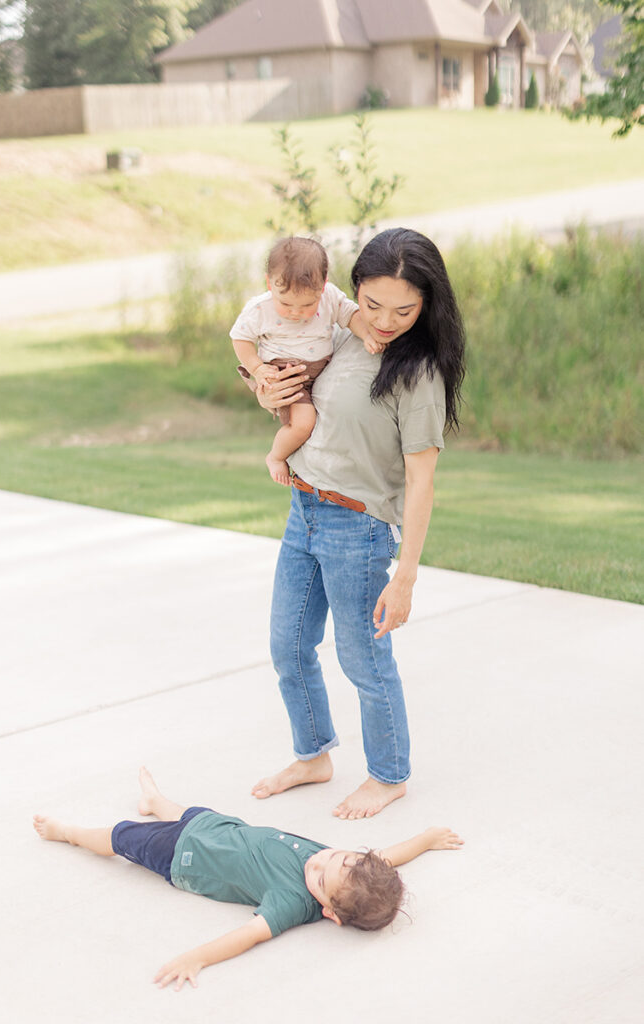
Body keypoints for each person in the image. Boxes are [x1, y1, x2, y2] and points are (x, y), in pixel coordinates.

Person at [251, 228, 466, 821]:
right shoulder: (340, 334)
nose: (385, 320)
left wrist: (406, 577)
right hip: (305, 508)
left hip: (359, 529)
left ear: (427, 305)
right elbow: (288, 382)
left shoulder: (417, 371)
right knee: (288, 648)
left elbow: (422, 480)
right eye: (372, 305)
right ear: (351, 294)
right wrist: (262, 385)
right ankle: (313, 755)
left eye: (404, 309)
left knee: (362, 658)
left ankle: (389, 775)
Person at [33, 767, 463, 991]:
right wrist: (425, 838)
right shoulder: (346, 868)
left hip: (183, 857)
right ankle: (155, 799)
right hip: (221, 830)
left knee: (120, 836)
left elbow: (249, 935)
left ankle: (68, 833)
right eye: (335, 857)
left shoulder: (294, 903)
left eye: (320, 876)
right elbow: (386, 857)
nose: (318, 861)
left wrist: (196, 958)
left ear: (328, 911)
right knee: (191, 813)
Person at [231, 236, 378, 485]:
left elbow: (350, 313)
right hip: (285, 374)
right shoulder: (260, 308)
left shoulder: (330, 297)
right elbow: (240, 337)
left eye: (308, 304)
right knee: (304, 424)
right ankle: (277, 456)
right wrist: (257, 368)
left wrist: (366, 335)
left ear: (323, 286)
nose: (296, 312)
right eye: (285, 303)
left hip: (320, 371)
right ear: (269, 284)